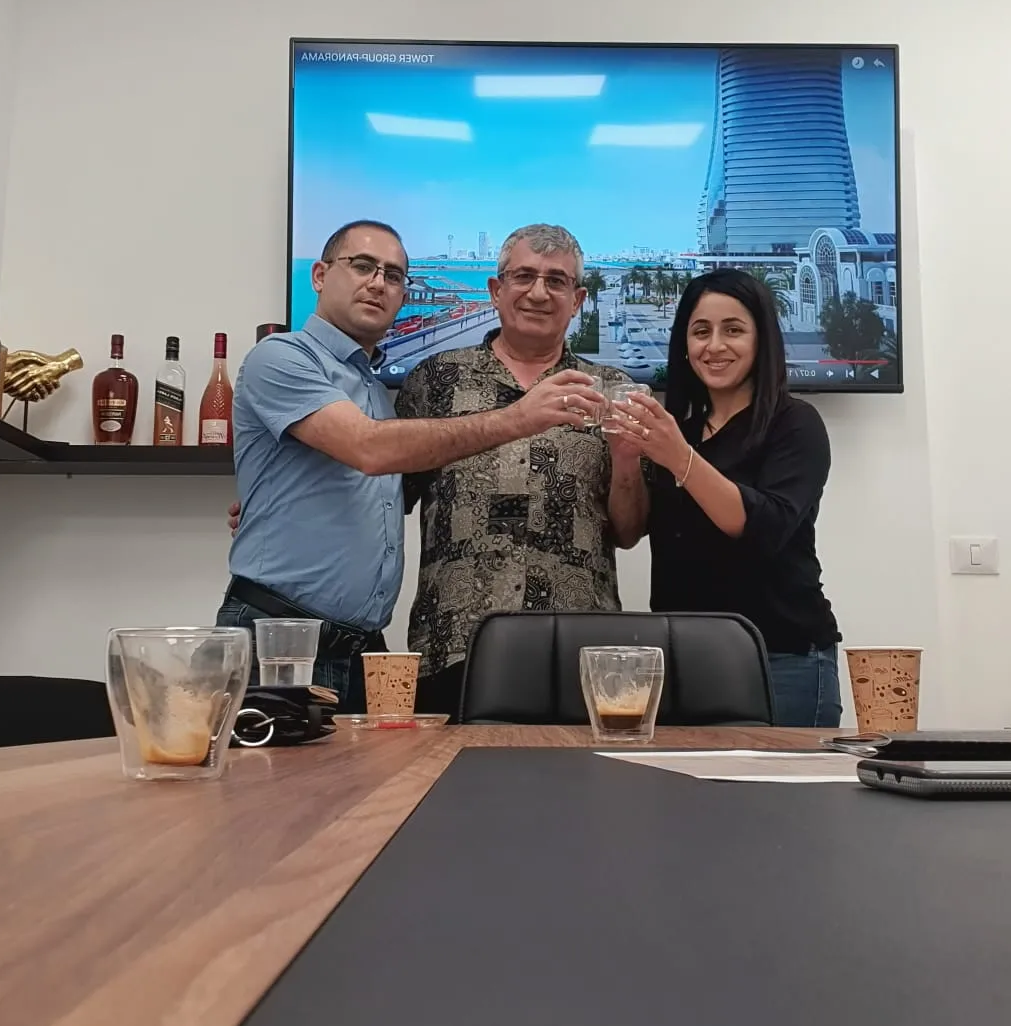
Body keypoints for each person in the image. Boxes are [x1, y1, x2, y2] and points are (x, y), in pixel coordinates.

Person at [218, 219, 601, 709]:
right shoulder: (281, 357)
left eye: (394, 275)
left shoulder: (374, 390)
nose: (378, 283)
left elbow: (386, 491)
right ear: (319, 275)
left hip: (360, 647)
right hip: (281, 636)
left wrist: (274, 507)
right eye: (362, 266)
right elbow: (370, 449)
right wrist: (519, 418)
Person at [395, 224, 646, 714]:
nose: (538, 292)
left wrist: (625, 460)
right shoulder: (435, 380)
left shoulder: (611, 390)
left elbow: (630, 530)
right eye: (524, 276)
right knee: (448, 768)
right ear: (496, 290)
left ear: (577, 300)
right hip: (452, 643)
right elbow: (383, 499)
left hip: (581, 647)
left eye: (556, 281)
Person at [613, 269, 843, 727]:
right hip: (681, 655)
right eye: (701, 332)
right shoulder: (678, 431)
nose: (714, 346)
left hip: (781, 658)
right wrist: (624, 461)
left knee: (784, 779)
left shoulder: (796, 424)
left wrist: (679, 458)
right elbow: (628, 531)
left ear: (762, 340)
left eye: (733, 330)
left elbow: (765, 527)